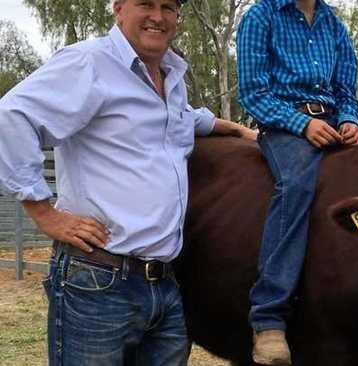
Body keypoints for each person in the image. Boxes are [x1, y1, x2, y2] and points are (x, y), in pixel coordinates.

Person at [0, 0, 256, 364]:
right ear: (118, 9)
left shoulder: (170, 75)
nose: (158, 16)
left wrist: (236, 129)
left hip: (165, 285)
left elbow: (176, 119)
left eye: (168, 7)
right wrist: (45, 212)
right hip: (98, 280)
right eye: (145, 4)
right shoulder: (89, 62)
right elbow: (11, 116)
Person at [236, 0, 358, 364]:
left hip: (333, 124)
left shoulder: (332, 24)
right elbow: (254, 94)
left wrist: (350, 119)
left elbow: (346, 90)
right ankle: (268, 316)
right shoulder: (261, 17)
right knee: (296, 185)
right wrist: (302, 124)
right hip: (285, 128)